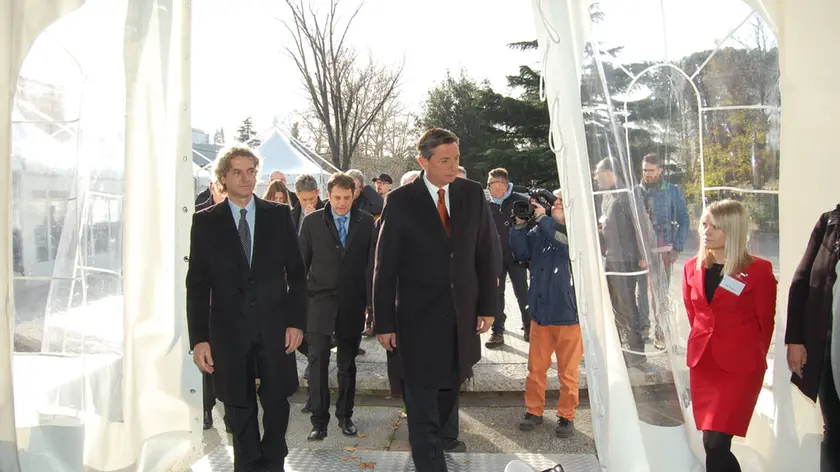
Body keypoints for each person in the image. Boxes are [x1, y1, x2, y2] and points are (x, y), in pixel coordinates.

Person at [373, 128, 497, 472]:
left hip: (460, 319)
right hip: (415, 321)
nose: (452, 166)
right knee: (421, 406)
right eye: (444, 160)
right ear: (423, 161)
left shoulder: (472, 195)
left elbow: (486, 254)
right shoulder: (399, 201)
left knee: (447, 395)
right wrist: (383, 323)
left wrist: (488, 306)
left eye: (456, 159)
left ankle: (438, 447)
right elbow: (384, 268)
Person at [186, 145, 306, 472]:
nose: (246, 178)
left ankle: (273, 460)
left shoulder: (278, 216)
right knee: (238, 406)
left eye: (251, 171)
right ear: (223, 177)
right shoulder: (206, 222)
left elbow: (297, 274)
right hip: (228, 333)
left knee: (278, 401)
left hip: (274, 328)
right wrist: (199, 340)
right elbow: (197, 286)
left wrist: (296, 323)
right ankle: (248, 463)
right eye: (237, 172)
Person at [681, 199, 776, 472]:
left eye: (715, 227)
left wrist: (747, 357)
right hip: (704, 364)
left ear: (733, 230)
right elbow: (694, 314)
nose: (705, 232)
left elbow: (764, 324)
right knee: (711, 441)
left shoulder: (759, 271)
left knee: (716, 442)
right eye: (704, 224)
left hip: (739, 368)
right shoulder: (691, 268)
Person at [299, 172, 374, 440]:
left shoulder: (366, 223)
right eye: (336, 197)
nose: (342, 203)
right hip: (319, 303)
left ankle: (345, 416)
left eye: (347, 197)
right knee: (317, 363)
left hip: (352, 305)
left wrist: (370, 306)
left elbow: (371, 267)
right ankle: (319, 421)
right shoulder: (312, 222)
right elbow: (301, 265)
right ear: (327, 196)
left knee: (346, 364)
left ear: (354, 195)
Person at [510, 190, 582, 438]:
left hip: (569, 315)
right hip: (540, 313)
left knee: (568, 372)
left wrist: (543, 219)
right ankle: (534, 411)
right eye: (555, 202)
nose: (557, 205)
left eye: (561, 202)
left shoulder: (576, 231)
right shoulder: (540, 229)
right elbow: (520, 253)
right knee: (536, 369)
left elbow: (565, 242)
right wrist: (519, 227)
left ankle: (566, 416)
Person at [785, 204, 840, 471]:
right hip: (831, 348)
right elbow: (802, 280)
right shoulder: (830, 223)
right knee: (835, 428)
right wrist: (795, 340)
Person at [486, 167, 531, 346]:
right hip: (494, 258)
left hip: (517, 257)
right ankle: (497, 331)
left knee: (523, 293)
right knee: (496, 294)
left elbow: (531, 228)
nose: (489, 188)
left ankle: (529, 326)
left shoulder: (521, 201)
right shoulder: (486, 205)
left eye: (492, 184)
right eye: (489, 185)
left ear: (503, 184)